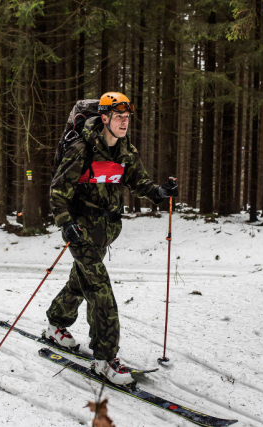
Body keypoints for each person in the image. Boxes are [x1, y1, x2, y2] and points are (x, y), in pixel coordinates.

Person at [46, 92, 178, 385]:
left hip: (104, 231)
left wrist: (159, 192)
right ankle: (104, 359)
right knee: (100, 290)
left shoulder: (125, 150)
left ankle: (56, 323)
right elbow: (57, 191)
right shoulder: (81, 148)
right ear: (104, 118)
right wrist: (65, 223)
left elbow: (138, 181)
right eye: (119, 117)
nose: (124, 122)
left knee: (81, 282)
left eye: (127, 118)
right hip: (80, 229)